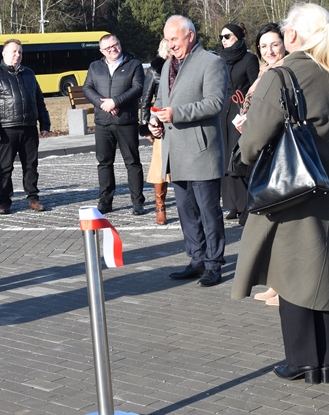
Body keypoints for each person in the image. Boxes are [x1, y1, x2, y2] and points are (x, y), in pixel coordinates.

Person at [232, 2, 329, 385]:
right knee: (326, 272)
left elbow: (252, 142)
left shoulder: (283, 76)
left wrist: (245, 146)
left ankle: (302, 360)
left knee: (294, 274)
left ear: (291, 36)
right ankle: (324, 362)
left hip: (295, 189)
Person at [148, 15, 229, 288]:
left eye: (174, 39)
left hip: (201, 151)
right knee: (186, 212)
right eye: (167, 40)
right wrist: (156, 122)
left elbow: (215, 103)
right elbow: (161, 101)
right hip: (175, 152)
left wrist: (176, 114)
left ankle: (214, 264)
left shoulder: (211, 62)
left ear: (190, 36)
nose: (170, 45)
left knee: (208, 212)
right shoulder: (169, 65)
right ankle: (196, 259)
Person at [240, 22, 287, 307]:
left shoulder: (283, 72)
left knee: (282, 222)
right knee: (270, 220)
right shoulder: (263, 72)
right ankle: (275, 282)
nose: (269, 50)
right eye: (263, 46)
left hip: (278, 151)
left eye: (274, 44)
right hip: (262, 151)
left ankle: (286, 287)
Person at [0, 39, 51, 214]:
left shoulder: (29, 74)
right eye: (13, 52)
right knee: (5, 167)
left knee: (31, 165)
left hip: (29, 127)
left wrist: (45, 123)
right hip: (6, 130)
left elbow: (39, 100)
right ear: (4, 54)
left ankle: (33, 198)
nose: (17, 55)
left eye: (19, 52)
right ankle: (4, 201)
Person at [83, 34, 146, 215]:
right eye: (108, 48)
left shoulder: (133, 64)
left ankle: (137, 202)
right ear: (102, 51)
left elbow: (138, 88)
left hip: (126, 121)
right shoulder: (95, 67)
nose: (113, 49)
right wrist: (103, 104)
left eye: (115, 45)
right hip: (103, 122)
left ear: (120, 44)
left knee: (132, 162)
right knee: (104, 163)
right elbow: (87, 88)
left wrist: (116, 102)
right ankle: (105, 201)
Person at [218, 23, 259, 223]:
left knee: (239, 159)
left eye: (227, 36)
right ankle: (232, 204)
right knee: (225, 160)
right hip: (222, 113)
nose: (223, 40)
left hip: (240, 112)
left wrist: (247, 109)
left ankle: (245, 207)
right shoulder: (219, 59)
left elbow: (254, 86)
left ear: (238, 37)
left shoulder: (249, 59)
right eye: (221, 37)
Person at [139, 39, 171, 225]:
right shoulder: (154, 70)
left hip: (182, 120)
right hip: (159, 123)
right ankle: (160, 206)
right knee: (160, 168)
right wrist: (146, 128)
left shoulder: (185, 66)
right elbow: (146, 99)